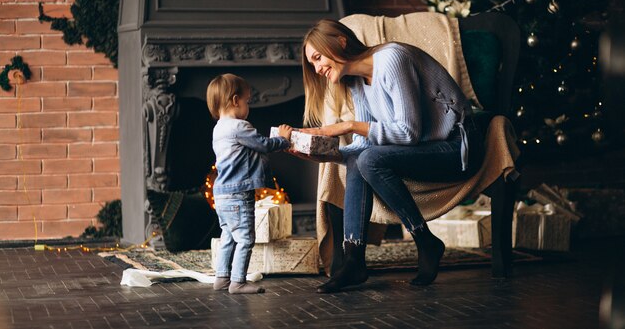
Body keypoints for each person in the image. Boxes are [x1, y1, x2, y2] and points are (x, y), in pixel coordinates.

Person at [293, 19, 483, 293]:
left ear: (340, 41)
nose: (317, 68)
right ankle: (353, 260)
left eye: (318, 57)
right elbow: (362, 145)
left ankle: (425, 241)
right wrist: (327, 155)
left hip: (458, 147)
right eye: (312, 64)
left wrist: (346, 126)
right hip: (424, 150)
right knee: (363, 158)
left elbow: (408, 133)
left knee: (370, 159)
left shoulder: (392, 59)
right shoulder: (356, 81)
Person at [206, 73, 292, 294]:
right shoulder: (239, 126)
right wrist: (283, 139)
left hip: (221, 193)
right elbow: (263, 144)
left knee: (228, 236)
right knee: (246, 238)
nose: (247, 106)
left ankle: (222, 278)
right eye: (247, 101)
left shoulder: (218, 128)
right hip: (238, 193)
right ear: (235, 101)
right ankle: (238, 282)